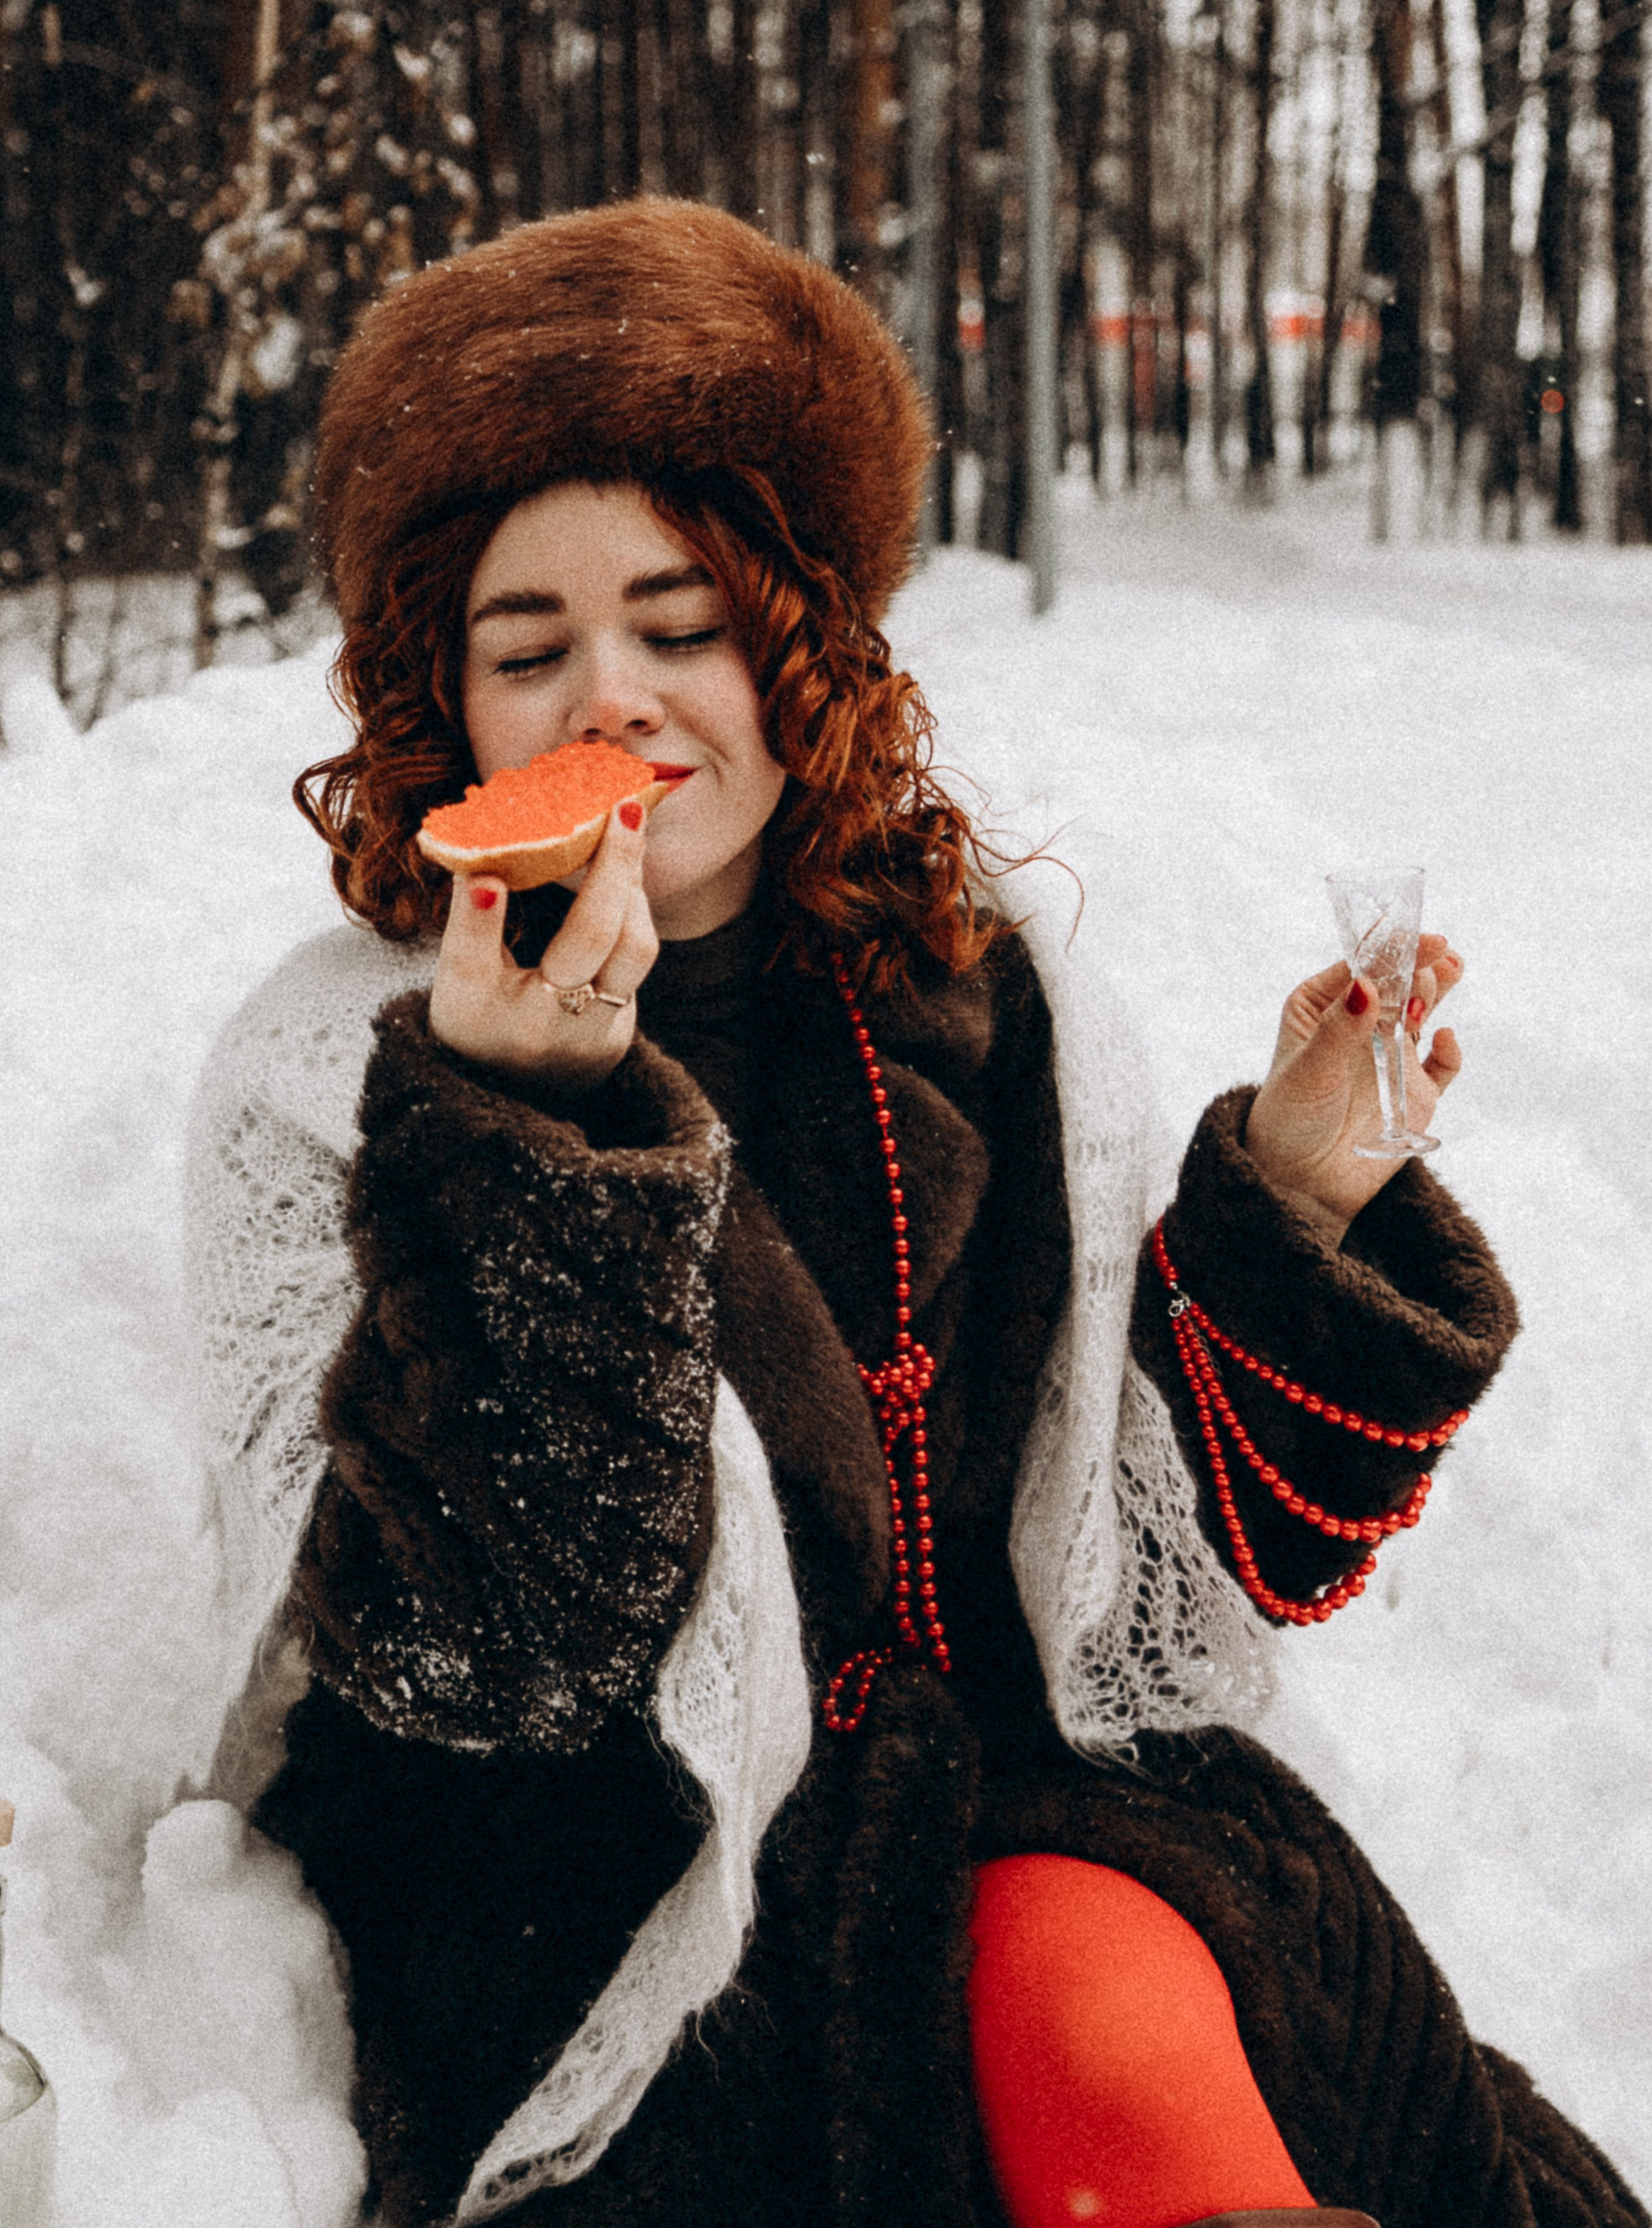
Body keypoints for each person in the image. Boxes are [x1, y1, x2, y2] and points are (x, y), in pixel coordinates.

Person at [185, 198, 1645, 2228]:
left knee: (1109, 2006)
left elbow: (1204, 1567)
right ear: (448, 715)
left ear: (797, 648)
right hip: (615, 1913)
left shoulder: (996, 998)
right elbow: (467, 1675)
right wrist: (517, 1141)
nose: (613, 696)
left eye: (681, 624)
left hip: (1039, 1839)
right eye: (531, 650)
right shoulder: (337, 1082)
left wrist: (1300, 1193)